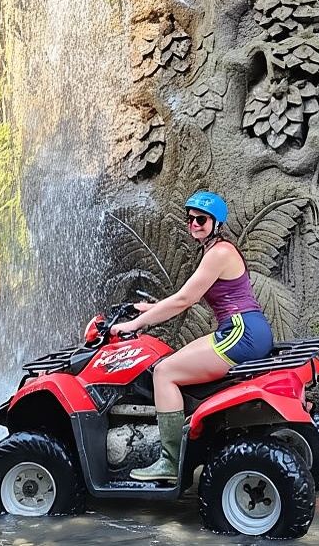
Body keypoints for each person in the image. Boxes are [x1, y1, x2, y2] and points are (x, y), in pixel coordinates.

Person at [109, 190, 274, 482]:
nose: (194, 224)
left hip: (240, 332)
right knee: (175, 361)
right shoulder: (215, 252)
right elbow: (184, 297)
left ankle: (170, 463)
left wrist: (134, 325)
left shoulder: (220, 253)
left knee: (163, 372)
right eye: (190, 219)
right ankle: (192, 437)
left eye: (201, 219)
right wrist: (145, 311)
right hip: (243, 329)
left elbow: (184, 300)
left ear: (216, 223)